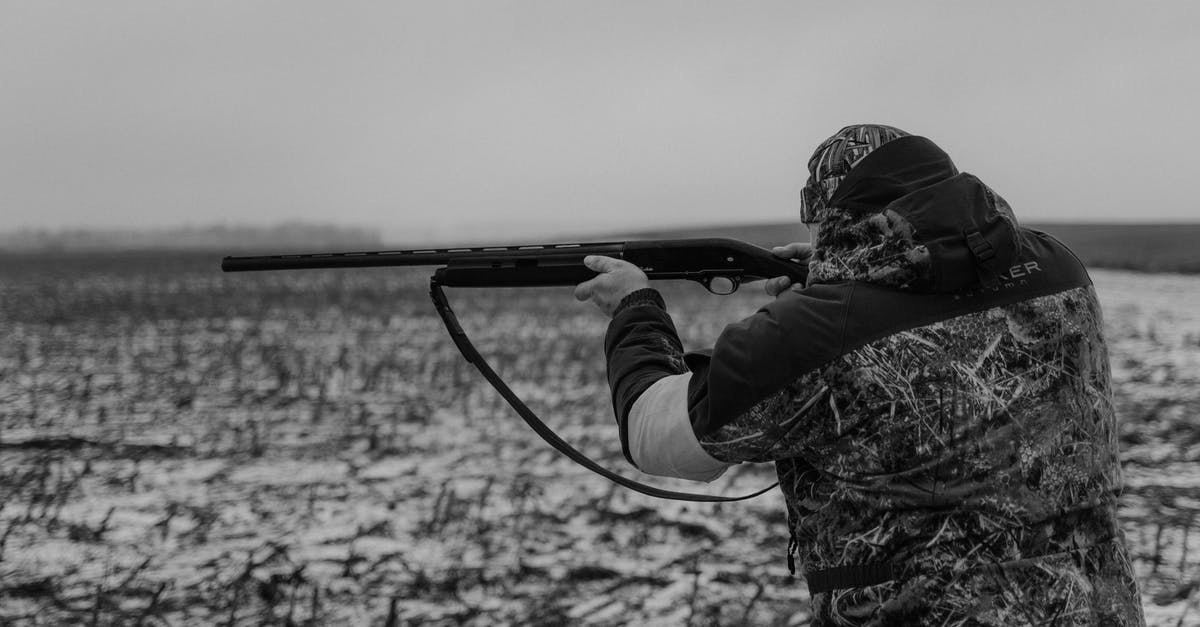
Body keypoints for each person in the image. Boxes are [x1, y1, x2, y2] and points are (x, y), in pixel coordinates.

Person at [573, 124, 1145, 625]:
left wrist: (636, 308)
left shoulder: (813, 337)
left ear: (833, 215)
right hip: (1098, 604)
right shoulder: (1060, 269)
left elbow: (658, 434)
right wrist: (841, 277)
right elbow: (933, 290)